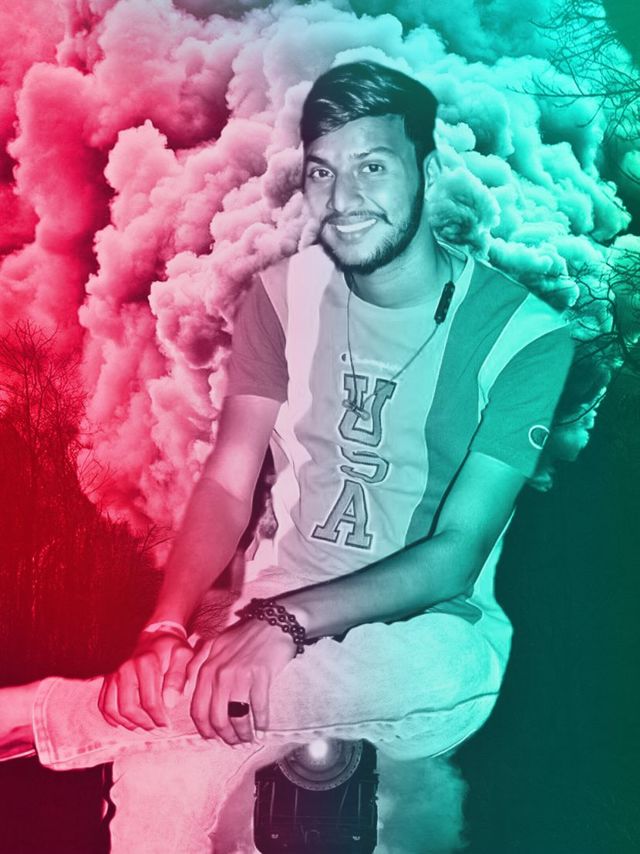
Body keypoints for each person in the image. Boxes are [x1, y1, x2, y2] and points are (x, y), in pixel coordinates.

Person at [0, 60, 574, 852]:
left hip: (421, 638)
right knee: (155, 782)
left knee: (450, 670)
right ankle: (146, 706)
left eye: (373, 167)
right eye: (323, 172)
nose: (344, 198)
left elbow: (455, 553)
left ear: (427, 169)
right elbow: (228, 482)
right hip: (251, 633)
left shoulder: (526, 336)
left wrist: (284, 625)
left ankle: (39, 716)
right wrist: (164, 628)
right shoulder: (281, 294)